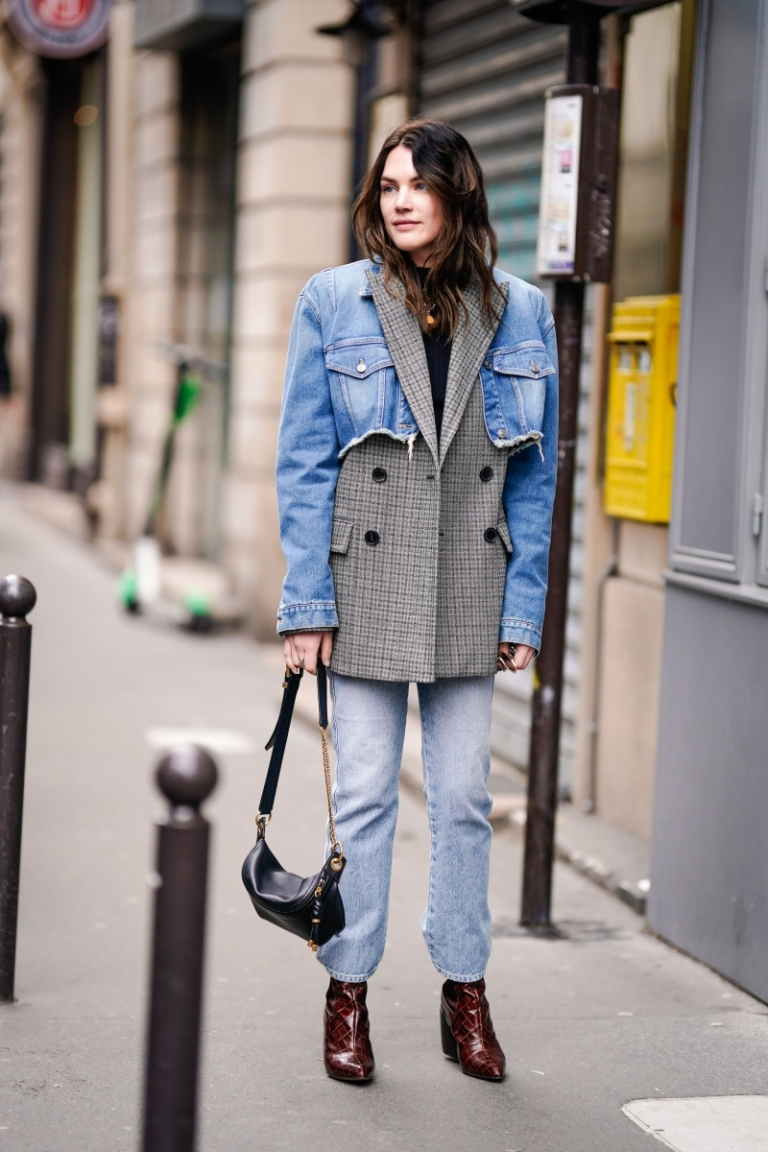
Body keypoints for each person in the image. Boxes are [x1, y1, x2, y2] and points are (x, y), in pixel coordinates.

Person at [275, 119, 558, 1083]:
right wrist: (305, 602)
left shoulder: (518, 309)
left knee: (466, 800)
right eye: (388, 185)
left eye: (419, 185)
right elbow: (303, 463)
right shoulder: (335, 299)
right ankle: (347, 990)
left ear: (457, 195)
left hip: (471, 585)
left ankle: (464, 990)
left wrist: (523, 610)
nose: (400, 201)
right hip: (362, 585)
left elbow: (537, 481)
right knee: (362, 799)